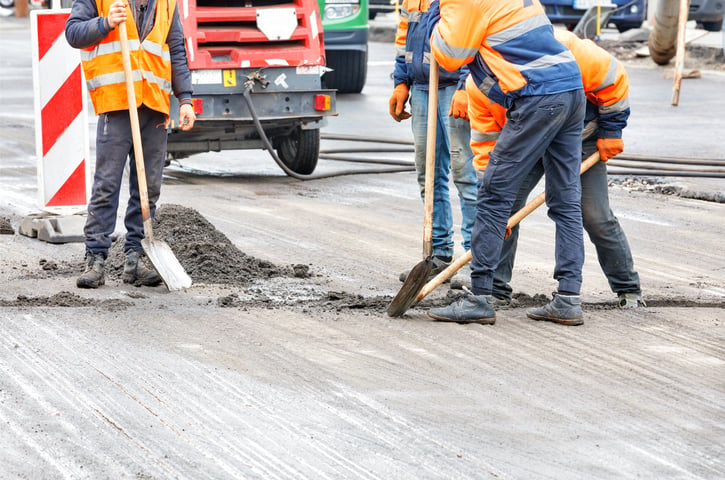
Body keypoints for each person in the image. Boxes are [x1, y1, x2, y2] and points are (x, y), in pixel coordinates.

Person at [426, 0, 587, 325]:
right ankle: (569, 298)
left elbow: (450, 54)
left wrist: (435, 13)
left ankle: (481, 297)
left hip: (537, 97)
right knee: (566, 200)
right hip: (570, 89)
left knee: (493, 194)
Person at [473, 30, 645, 311]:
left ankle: (628, 288)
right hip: (526, 143)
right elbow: (486, 146)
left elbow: (613, 76)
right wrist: (490, 195)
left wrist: (612, 130)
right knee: (504, 211)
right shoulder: (481, 85)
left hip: (579, 139)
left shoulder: (566, 50)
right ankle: (495, 289)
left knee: (594, 214)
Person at [66, 0, 196, 288]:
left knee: (148, 188)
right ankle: (96, 258)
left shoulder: (166, 3)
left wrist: (185, 99)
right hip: (116, 102)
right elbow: (73, 33)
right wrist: (105, 23)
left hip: (154, 105)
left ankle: (134, 258)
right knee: (107, 184)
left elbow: (175, 50)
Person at [389, 0, 478, 286]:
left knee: (465, 173)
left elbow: (476, 36)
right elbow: (404, 39)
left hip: (454, 88)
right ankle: (438, 253)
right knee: (427, 175)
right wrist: (401, 82)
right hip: (422, 88)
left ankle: (476, 260)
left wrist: (466, 85)